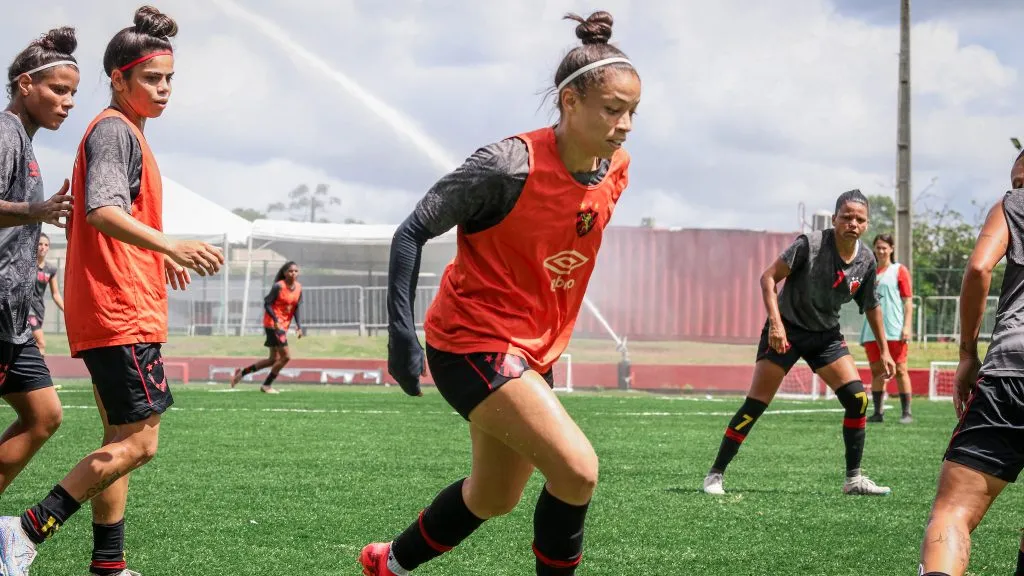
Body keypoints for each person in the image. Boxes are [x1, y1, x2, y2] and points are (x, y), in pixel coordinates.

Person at [359, 10, 638, 576]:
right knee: (578, 470)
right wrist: (400, 336)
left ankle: (386, 563)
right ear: (570, 103)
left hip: (534, 352)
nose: (626, 124)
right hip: (472, 342)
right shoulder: (506, 165)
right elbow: (411, 231)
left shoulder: (618, 167)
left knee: (492, 498)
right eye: (613, 110)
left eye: (633, 111)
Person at [0, 7, 223, 576]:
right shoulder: (114, 130)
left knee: (115, 439)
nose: (165, 89)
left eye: (170, 79)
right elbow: (101, 210)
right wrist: (170, 245)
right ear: (119, 80)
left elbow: (113, 216)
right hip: (118, 310)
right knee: (140, 445)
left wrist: (156, 253)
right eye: (152, 78)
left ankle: (108, 564)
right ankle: (24, 530)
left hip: (117, 305)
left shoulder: (127, 134)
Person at [703, 189, 896, 497]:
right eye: (846, 217)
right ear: (834, 219)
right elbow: (768, 277)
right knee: (755, 404)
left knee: (858, 400)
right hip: (787, 331)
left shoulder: (866, 260)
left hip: (826, 336)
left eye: (860, 219)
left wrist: (884, 352)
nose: (853, 223)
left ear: (867, 224)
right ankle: (715, 474)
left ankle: (854, 479)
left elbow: (871, 305)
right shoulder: (811, 244)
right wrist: (776, 324)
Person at [918, 148, 1024, 576]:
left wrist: (966, 354)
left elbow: (979, 268)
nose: (1016, 188)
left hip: (1012, 369)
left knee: (953, 512)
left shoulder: (1012, 205)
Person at [0, 27, 77, 496]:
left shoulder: (25, 143)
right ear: (25, 85)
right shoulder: (5, 134)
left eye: (72, 93)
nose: (67, 102)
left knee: (44, 415)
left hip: (12, 315)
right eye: (58, 90)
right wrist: (37, 210)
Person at [859, 233, 914, 423]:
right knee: (876, 371)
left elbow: (908, 301)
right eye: (878, 247)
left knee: (900, 369)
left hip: (894, 329)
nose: (881, 251)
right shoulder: (869, 272)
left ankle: (906, 412)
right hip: (871, 331)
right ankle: (878, 413)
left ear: (891, 249)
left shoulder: (899, 270)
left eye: (885, 247)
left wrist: (907, 327)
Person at [230, 261, 303, 394]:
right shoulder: (278, 287)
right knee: (286, 357)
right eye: (290, 271)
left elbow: (296, 307)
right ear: (285, 273)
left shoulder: (298, 287)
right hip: (273, 325)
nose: (293, 273)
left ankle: (242, 372)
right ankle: (266, 385)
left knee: (273, 359)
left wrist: (299, 326)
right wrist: (275, 319)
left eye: (295, 271)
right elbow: (267, 303)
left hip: (283, 326)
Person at [28, 232, 64, 357]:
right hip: (27, 310)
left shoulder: (51, 269)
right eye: (40, 244)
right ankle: (40, 375)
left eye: (46, 245)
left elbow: (56, 294)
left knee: (30, 345)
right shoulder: (27, 265)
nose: (43, 247)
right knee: (41, 342)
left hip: (39, 310)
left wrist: (67, 310)